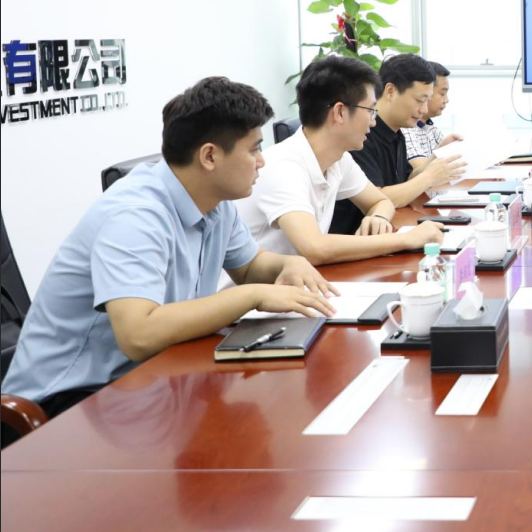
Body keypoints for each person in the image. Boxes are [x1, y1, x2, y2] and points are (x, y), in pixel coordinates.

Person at [1, 78, 337, 420]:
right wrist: (252, 295)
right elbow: (139, 335)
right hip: (65, 401)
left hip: (148, 379)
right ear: (209, 156)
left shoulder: (215, 201)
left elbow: (249, 266)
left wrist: (287, 265)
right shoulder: (135, 216)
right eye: (254, 149)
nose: (262, 161)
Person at [238, 57, 444, 265]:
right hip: (262, 284)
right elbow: (314, 248)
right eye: (370, 111)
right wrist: (406, 239)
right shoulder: (284, 166)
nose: (373, 122)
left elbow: (381, 201)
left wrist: (378, 218)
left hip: (302, 278)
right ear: (339, 112)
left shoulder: (339, 159)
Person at [329, 54, 465, 235]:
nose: (424, 109)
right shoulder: (360, 137)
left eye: (427, 101)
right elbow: (378, 197)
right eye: (420, 100)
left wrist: (435, 156)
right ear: (390, 91)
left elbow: (406, 182)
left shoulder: (396, 133)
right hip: (354, 237)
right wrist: (429, 177)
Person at [403, 60, 463, 165]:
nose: (446, 100)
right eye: (442, 93)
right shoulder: (406, 128)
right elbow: (419, 170)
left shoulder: (430, 126)